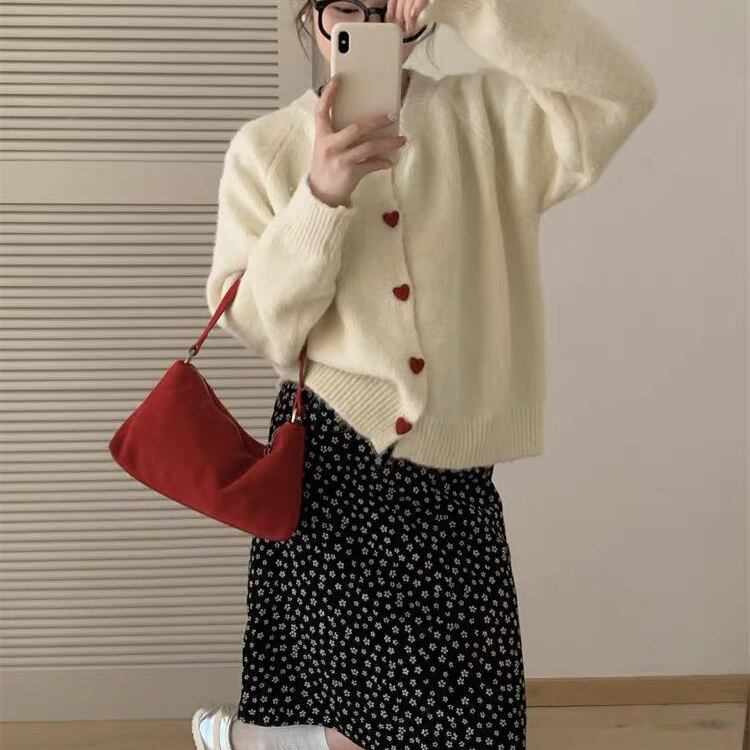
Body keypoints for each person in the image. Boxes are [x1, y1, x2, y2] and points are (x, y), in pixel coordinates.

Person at [192, 0, 658, 748]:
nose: (370, 23)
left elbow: (620, 93)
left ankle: (267, 744)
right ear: (313, 17)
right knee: (354, 709)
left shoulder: (491, 120)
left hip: (453, 474)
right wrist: (320, 197)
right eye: (348, 8)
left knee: (468, 719)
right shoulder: (266, 149)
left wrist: (475, 4)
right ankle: (282, 741)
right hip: (332, 468)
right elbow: (259, 328)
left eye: (388, 8)